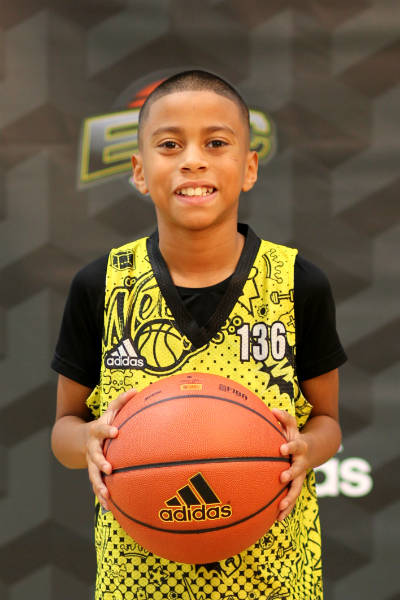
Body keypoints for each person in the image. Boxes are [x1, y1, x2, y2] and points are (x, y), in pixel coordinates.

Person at [51, 70, 347, 599]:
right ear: (139, 172)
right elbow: (64, 430)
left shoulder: (297, 283)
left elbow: (327, 422)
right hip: (136, 584)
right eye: (170, 145)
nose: (193, 160)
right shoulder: (102, 285)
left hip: (275, 581)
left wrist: (307, 447)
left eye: (216, 143)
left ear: (249, 167)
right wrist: (88, 442)